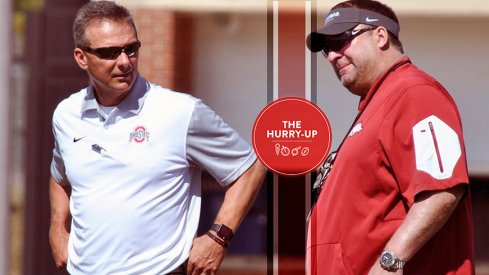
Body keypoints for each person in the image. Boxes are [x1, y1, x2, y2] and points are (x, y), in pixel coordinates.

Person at [48, 1, 265, 274]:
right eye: (110, 52)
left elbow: (250, 167)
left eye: (131, 48)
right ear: (81, 57)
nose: (125, 62)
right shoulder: (66, 114)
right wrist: (57, 227)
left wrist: (218, 238)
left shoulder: (181, 112)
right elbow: (60, 175)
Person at [306, 0, 473, 274]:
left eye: (340, 41)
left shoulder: (415, 92)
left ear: (380, 36)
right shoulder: (378, 105)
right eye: (326, 49)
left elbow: (441, 188)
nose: (333, 56)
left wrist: (390, 263)